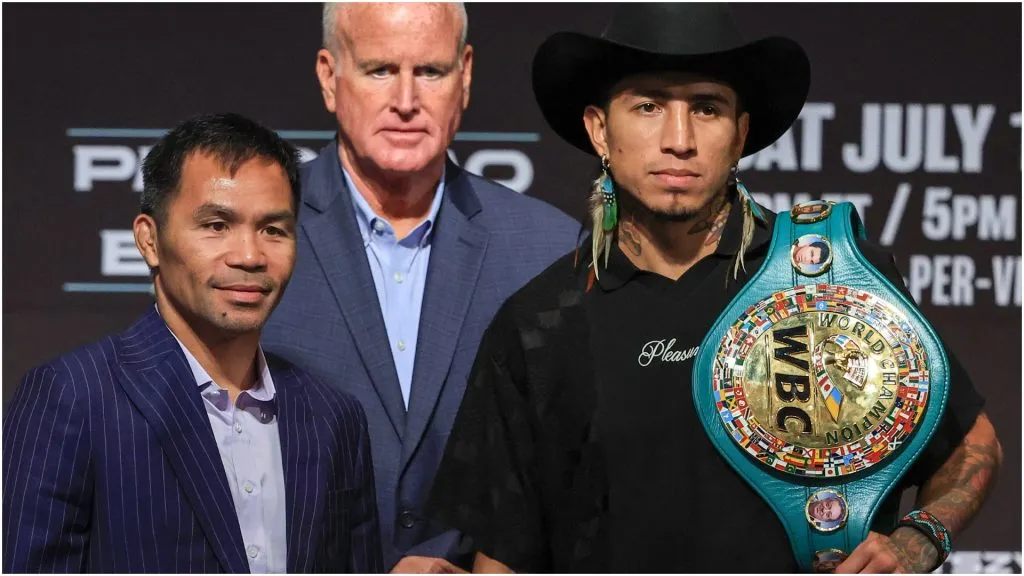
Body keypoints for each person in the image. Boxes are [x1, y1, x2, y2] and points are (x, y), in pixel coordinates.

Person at [427, 4, 1001, 573]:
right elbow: (504, 553)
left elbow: (972, 446)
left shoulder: (826, 276)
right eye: (648, 106)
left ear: (741, 133)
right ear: (599, 128)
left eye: (706, 108)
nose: (679, 139)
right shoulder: (536, 326)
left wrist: (919, 539)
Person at [261, 3, 579, 572]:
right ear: (330, 78)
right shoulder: (257, 233)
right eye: (380, 70)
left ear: (466, 76)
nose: (406, 102)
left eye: (430, 72)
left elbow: (575, 478)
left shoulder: (548, 249)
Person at [2, 113, 382, 573]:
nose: (249, 256)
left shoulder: (334, 417)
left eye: (273, 230)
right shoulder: (73, 398)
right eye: (217, 225)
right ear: (149, 240)